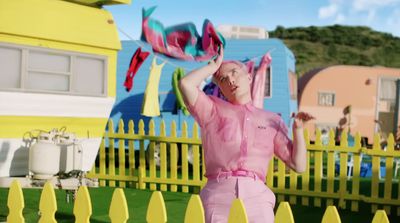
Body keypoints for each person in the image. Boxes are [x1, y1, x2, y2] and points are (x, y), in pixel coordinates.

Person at [179, 46, 307, 223]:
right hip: (218, 198)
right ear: (221, 89)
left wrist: (298, 131)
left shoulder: (271, 120)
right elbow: (186, 84)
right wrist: (212, 67)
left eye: (234, 72)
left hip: (258, 200)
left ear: (249, 76)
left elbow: (298, 165)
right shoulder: (211, 110)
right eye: (223, 79)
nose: (230, 80)